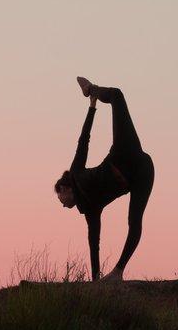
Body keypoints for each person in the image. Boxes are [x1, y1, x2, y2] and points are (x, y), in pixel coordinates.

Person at [55, 78, 155, 282]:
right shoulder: (90, 209)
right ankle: (118, 271)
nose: (64, 206)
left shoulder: (76, 172)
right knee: (134, 221)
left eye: (61, 199)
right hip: (141, 174)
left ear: (65, 188)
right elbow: (94, 243)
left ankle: (91, 89)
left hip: (123, 154)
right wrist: (95, 279)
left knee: (116, 95)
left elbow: (84, 140)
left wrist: (92, 106)